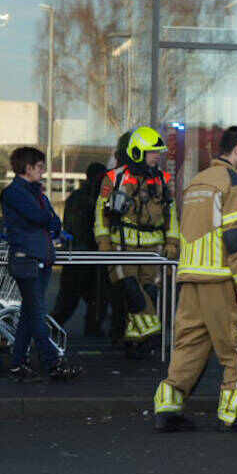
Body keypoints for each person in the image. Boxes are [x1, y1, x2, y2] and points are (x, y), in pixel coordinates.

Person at [153, 126, 237, 433]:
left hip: (191, 278)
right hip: (222, 279)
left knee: (188, 345)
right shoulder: (235, 184)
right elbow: (235, 238)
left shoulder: (196, 183)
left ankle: (168, 407)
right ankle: (235, 414)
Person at [96, 127, 179, 359]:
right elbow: (100, 214)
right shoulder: (114, 178)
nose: (157, 157)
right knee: (132, 292)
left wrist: (173, 241)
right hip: (123, 248)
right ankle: (153, 332)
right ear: (136, 152)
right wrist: (103, 242)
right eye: (152, 152)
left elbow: (172, 215)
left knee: (149, 293)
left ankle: (135, 341)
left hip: (154, 249)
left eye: (157, 153)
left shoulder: (163, 179)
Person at [0, 146, 80, 382]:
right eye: (40, 167)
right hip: (27, 259)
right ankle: (52, 362)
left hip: (41, 258)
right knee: (36, 313)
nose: (43, 172)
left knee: (29, 314)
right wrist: (49, 220)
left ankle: (17, 364)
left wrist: (50, 220)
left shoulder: (37, 194)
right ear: (27, 168)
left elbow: (54, 220)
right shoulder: (15, 193)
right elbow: (42, 217)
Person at [50, 160, 108, 343]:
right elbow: (82, 228)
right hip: (83, 256)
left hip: (78, 257)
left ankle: (52, 329)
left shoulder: (78, 197)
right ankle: (89, 330)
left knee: (75, 301)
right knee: (81, 300)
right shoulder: (88, 198)